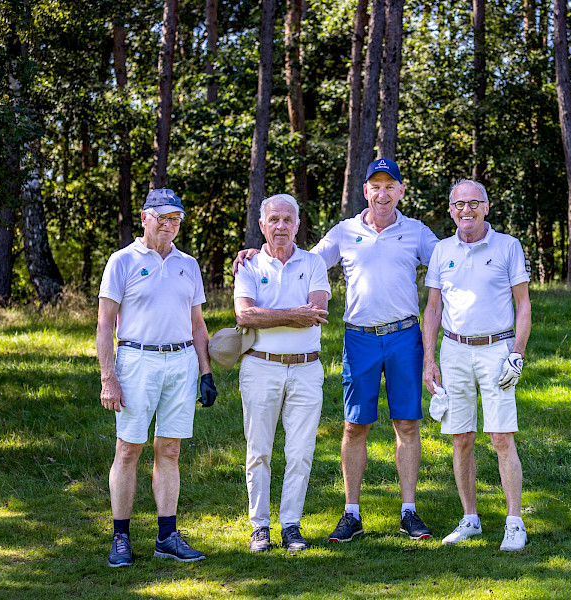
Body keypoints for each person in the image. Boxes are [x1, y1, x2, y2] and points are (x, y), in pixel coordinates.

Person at [234, 158, 439, 542]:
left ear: (400, 191)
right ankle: (351, 513)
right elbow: (302, 259)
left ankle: (409, 511)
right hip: (359, 337)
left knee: (407, 424)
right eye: (375, 186)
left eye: (390, 186)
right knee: (354, 425)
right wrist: (255, 253)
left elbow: (448, 262)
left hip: (404, 336)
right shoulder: (345, 232)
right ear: (366, 191)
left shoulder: (416, 232)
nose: (383, 194)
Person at [97, 188, 217, 567]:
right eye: (163, 218)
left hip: (180, 362)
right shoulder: (122, 261)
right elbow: (103, 325)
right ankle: (121, 536)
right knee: (128, 449)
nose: (169, 225)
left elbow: (198, 324)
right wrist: (108, 377)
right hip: (137, 362)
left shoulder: (188, 264)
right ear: (146, 218)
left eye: (176, 219)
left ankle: (167, 536)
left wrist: (206, 372)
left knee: (170, 450)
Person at [421, 179, 532, 552]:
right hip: (453, 352)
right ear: (450, 210)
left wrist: (517, 352)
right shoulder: (441, 251)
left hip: (497, 350)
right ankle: (470, 519)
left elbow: (524, 306)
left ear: (487, 207)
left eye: (473, 203)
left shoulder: (507, 247)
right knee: (461, 437)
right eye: (459, 204)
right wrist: (429, 360)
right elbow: (433, 309)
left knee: (501, 437)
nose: (466, 210)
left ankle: (515, 523)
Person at [233, 194, 331, 553]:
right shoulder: (249, 265)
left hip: (307, 368)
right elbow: (244, 315)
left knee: (301, 451)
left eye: (288, 220)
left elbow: (317, 312)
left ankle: (291, 524)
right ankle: (260, 527)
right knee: (258, 451)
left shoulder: (314, 263)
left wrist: (270, 313)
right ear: (262, 225)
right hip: (261, 365)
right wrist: (294, 314)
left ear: (297, 225)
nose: (281, 226)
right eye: (273, 220)